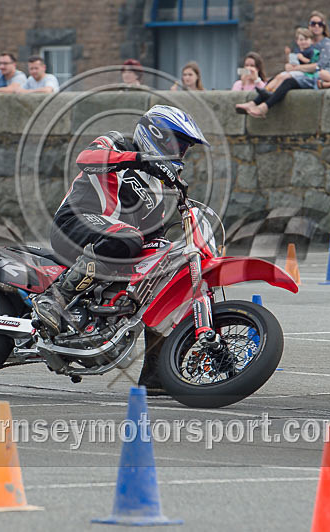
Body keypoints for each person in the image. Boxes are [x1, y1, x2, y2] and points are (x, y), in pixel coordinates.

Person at [31, 105, 210, 393]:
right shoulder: (117, 143)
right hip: (76, 221)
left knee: (167, 276)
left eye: (185, 148)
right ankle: (56, 298)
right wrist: (141, 159)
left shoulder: (157, 192)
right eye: (178, 143)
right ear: (157, 134)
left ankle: (157, 376)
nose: (180, 153)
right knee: (128, 238)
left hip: (113, 245)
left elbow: (152, 240)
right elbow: (86, 159)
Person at [234, 10, 330, 118]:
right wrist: (289, 65)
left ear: (324, 26)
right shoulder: (305, 44)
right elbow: (294, 61)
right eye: (313, 24)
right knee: (276, 78)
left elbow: (320, 66)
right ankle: (253, 103)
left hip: (316, 78)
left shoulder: (326, 44)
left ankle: (264, 107)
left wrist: (296, 68)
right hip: (302, 75)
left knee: (287, 81)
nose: (316, 26)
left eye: (319, 24)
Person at [262, 28, 317, 93]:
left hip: (303, 72)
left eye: (306, 39)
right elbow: (291, 62)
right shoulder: (297, 50)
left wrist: (302, 58)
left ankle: (274, 91)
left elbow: (311, 63)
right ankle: (266, 89)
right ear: (297, 41)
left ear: (311, 41)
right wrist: (288, 55)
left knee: (284, 77)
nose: (303, 42)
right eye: (301, 40)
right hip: (294, 70)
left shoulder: (311, 51)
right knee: (279, 76)